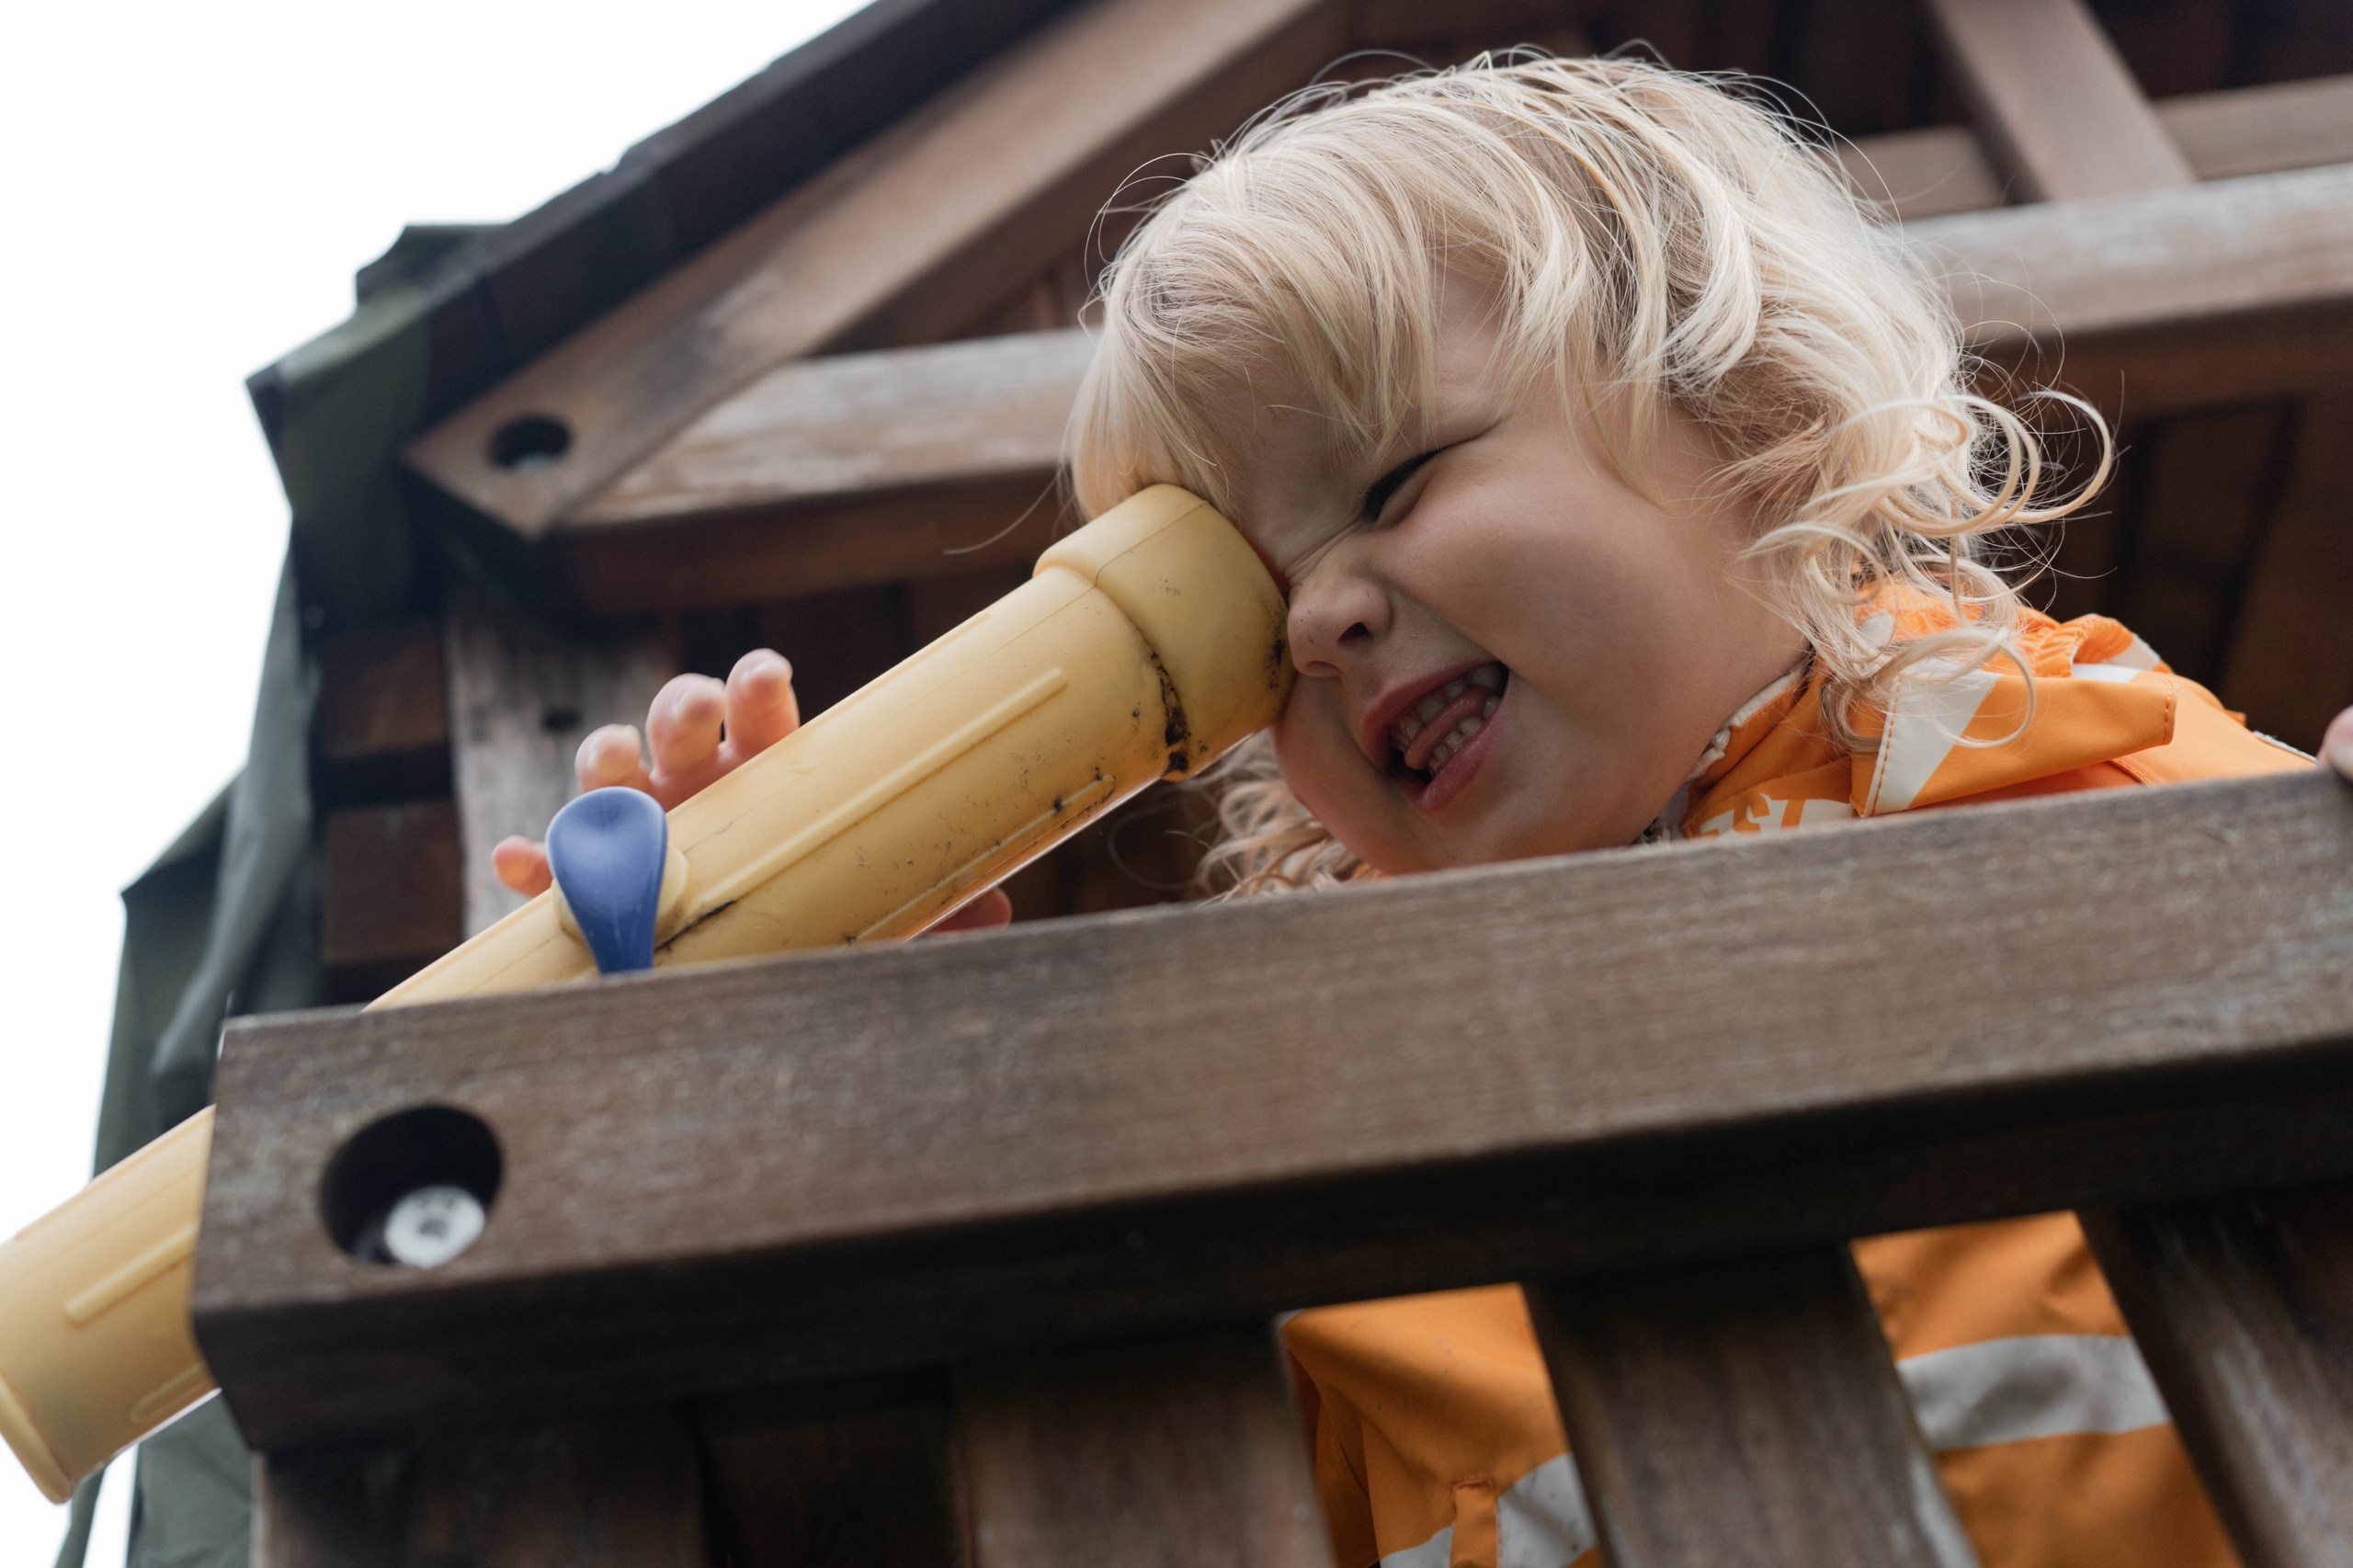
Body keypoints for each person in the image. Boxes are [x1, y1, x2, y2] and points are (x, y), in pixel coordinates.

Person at [493, 55, 2353, 1568]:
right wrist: (843, 1107)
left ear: (1741, 406)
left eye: (1394, 478)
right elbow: (942, 1492)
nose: (1317, 615)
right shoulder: (1307, 1178)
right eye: (1250, 622)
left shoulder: (2087, 765)